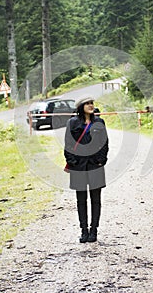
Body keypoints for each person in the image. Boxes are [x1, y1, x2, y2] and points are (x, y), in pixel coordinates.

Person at [64, 95, 109, 243]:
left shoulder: (99, 122)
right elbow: (68, 144)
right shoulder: (72, 123)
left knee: (96, 199)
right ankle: (83, 230)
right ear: (80, 107)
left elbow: (104, 143)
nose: (90, 105)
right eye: (87, 103)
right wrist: (73, 162)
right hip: (79, 167)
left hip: (95, 165)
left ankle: (93, 230)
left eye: (92, 103)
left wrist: (101, 161)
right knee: (81, 200)